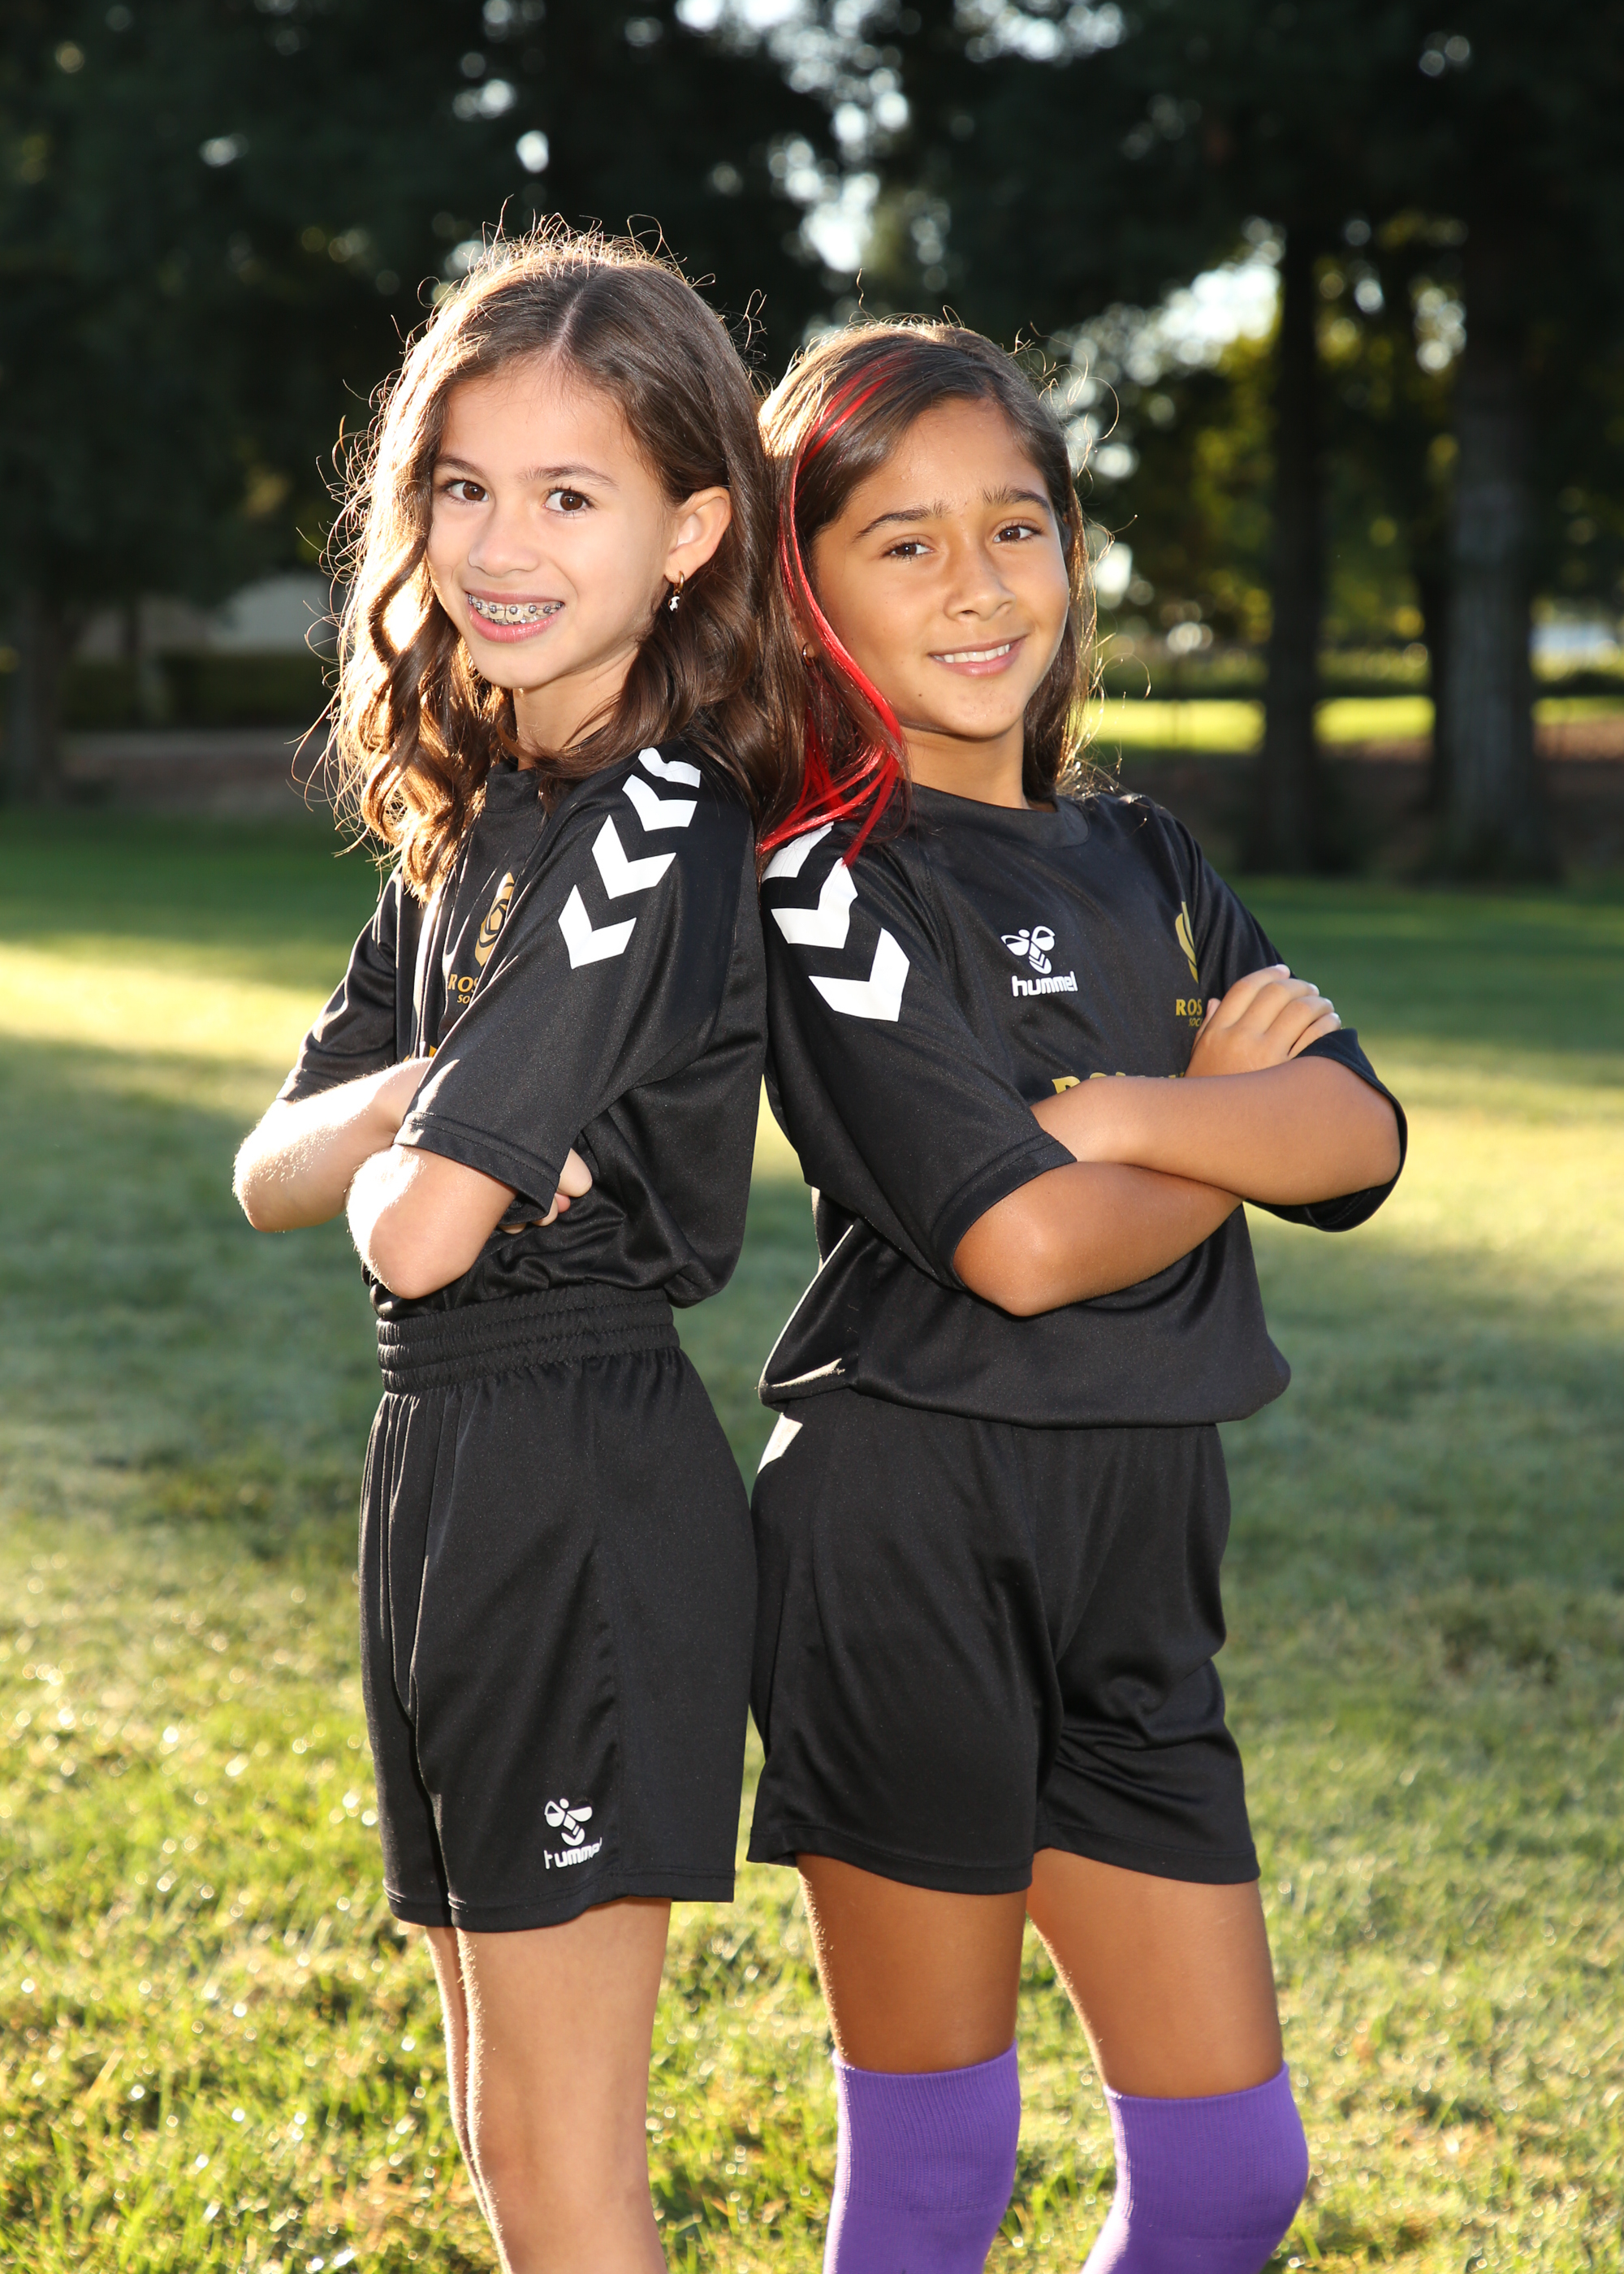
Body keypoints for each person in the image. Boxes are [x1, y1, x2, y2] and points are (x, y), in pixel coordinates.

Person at [745, 322, 1406, 2274]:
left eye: (1014, 526)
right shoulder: (822, 878)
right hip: (907, 1531)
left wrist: (1122, 1112)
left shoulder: (1147, 854)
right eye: (904, 542)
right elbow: (1018, 1245)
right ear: (803, 589)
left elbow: (1357, 1137)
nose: (977, 584)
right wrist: (1220, 1117)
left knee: (1228, 2180)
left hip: (1141, 1542)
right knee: (939, 2175)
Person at [233, 230, 787, 2274]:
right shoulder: (478, 813)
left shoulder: (656, 817)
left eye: (570, 494)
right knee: (497, 2129)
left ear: (689, 532)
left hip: (578, 1483)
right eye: (463, 485)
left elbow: (414, 1224)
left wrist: (415, 1146)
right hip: (443, 1474)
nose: (500, 543)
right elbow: (270, 1168)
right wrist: (436, 1096)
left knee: (568, 2162)